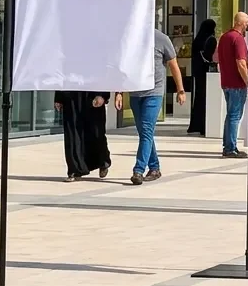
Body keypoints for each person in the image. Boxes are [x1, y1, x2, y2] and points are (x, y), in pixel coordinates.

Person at [129, 29, 185, 185]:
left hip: (154, 92)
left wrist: (180, 90)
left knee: (146, 130)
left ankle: (138, 170)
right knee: (144, 133)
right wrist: (119, 92)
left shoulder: (161, 38)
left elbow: (174, 65)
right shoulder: (132, 37)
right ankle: (154, 167)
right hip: (135, 93)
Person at [54, 90, 116, 182]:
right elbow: (62, 76)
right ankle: (74, 170)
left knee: (96, 133)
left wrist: (102, 95)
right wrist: (58, 97)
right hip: (71, 97)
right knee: (72, 134)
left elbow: (104, 76)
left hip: (92, 95)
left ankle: (103, 162)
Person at [217, 12, 248, 157]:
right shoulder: (238, 39)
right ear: (240, 23)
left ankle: (228, 145)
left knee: (230, 115)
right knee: (235, 115)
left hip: (226, 81)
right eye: (247, 22)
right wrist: (247, 80)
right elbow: (241, 63)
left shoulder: (224, 37)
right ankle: (230, 147)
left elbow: (216, 57)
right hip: (237, 83)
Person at [187, 19, 218, 136]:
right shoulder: (210, 39)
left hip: (197, 71)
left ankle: (195, 124)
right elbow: (210, 56)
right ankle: (204, 125)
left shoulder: (197, 39)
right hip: (207, 71)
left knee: (199, 97)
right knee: (206, 98)